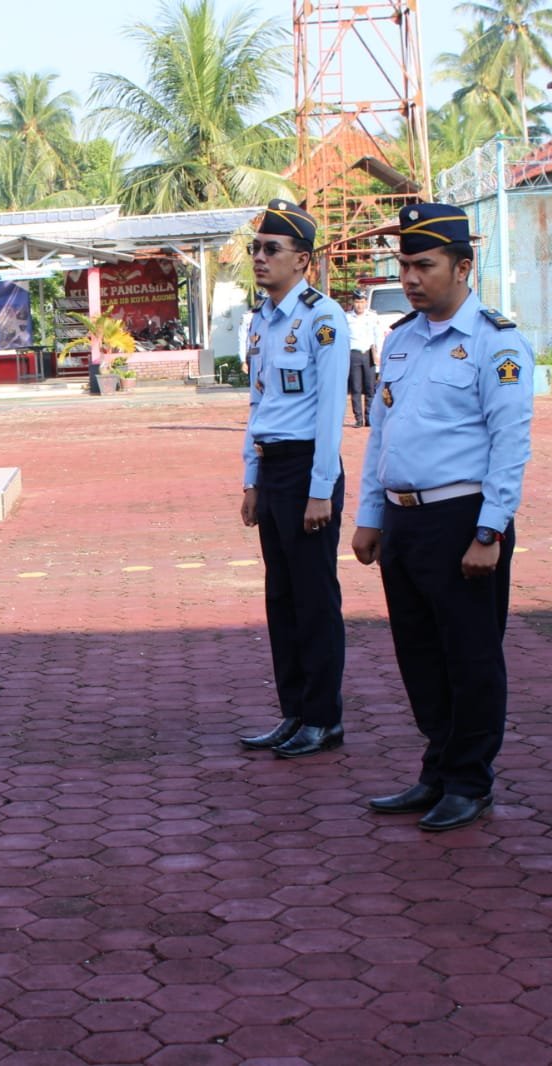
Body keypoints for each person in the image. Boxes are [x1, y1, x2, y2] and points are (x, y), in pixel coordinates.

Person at [352, 202, 534, 833]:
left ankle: (470, 780)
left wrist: (491, 529)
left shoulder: (497, 342)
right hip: (405, 522)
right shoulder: (399, 340)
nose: (409, 278)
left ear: (463, 266)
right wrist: (370, 515)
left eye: (423, 265)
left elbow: (511, 441)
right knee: (420, 654)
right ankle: (437, 766)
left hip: (463, 519)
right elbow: (383, 434)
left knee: (471, 655)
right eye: (403, 265)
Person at [237, 199, 352, 759]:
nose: (259, 258)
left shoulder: (322, 318)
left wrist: (320, 490)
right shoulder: (261, 318)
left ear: (301, 260)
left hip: (310, 468)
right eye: (255, 249)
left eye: (270, 249)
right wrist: (251, 477)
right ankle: (294, 712)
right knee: (281, 598)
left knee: (314, 599)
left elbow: (331, 410)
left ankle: (323, 717)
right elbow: (257, 404)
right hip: (275, 466)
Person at [346, 290, 380, 427]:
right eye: (357, 302)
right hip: (353, 354)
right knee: (356, 388)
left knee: (370, 388)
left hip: (368, 354)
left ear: (366, 302)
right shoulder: (347, 318)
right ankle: (358, 418)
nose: (359, 305)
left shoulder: (372, 316)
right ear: (353, 302)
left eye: (362, 302)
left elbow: (377, 335)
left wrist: (377, 353)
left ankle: (369, 418)